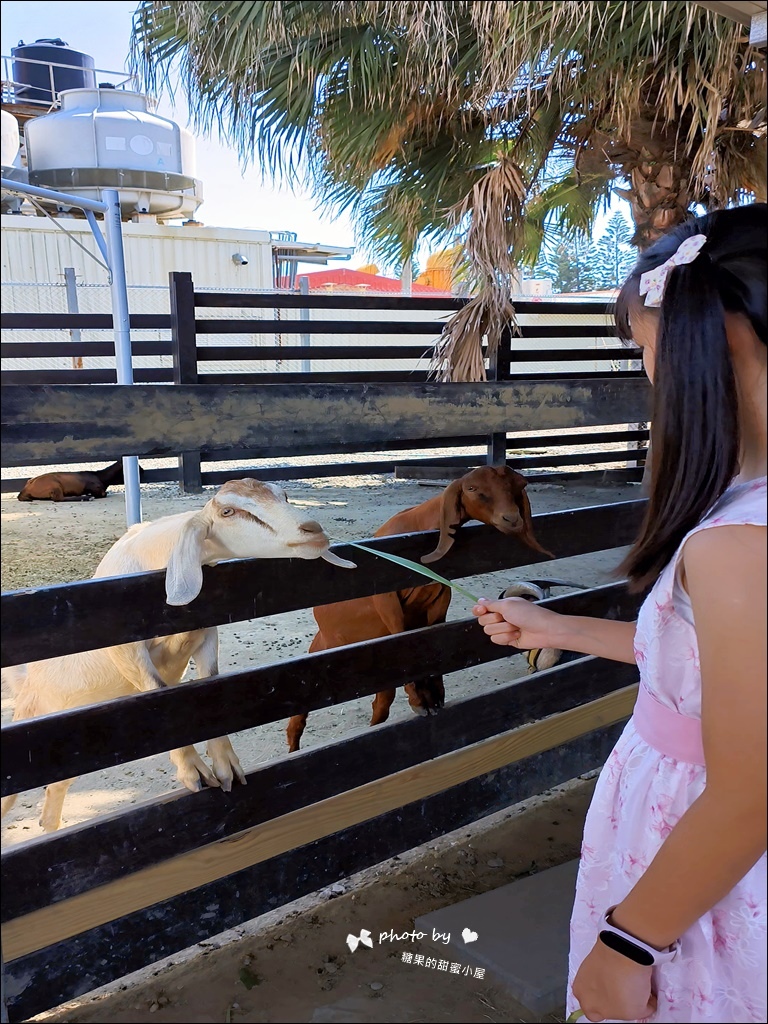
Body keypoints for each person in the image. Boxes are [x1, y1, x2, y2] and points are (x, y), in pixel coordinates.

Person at [473, 204, 767, 1023]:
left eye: (644, 349)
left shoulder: (740, 545)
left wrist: (629, 945)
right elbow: (716, 676)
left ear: (722, 338)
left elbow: (753, 789)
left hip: (704, 870)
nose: (648, 375)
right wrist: (558, 628)